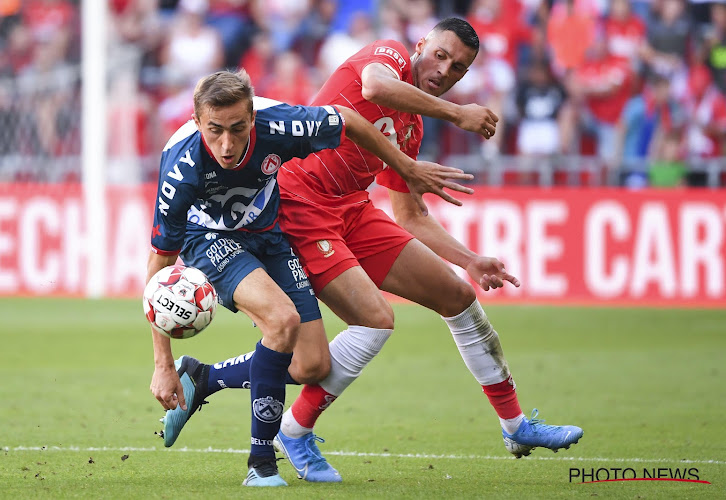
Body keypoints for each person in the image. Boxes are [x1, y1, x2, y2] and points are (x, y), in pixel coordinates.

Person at [159, 19, 583, 483]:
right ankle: (295, 429)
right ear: (421, 44)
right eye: (440, 55)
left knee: (457, 295)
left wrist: (468, 260)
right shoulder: (389, 56)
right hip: (301, 206)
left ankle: (516, 425)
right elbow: (375, 87)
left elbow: (411, 215)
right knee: (370, 322)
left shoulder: (411, 128)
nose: (445, 70)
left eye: (459, 68)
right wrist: (458, 113)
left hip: (352, 212)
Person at [147, 69, 474, 487]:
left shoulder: (280, 125)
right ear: (196, 122)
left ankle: (204, 377)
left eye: (237, 128)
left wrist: (406, 168)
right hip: (208, 237)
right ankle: (260, 464)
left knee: (311, 365)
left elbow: (349, 120)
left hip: (268, 233)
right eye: (214, 131)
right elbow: (159, 268)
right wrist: (161, 364)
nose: (226, 145)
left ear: (253, 117)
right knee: (281, 322)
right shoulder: (182, 171)